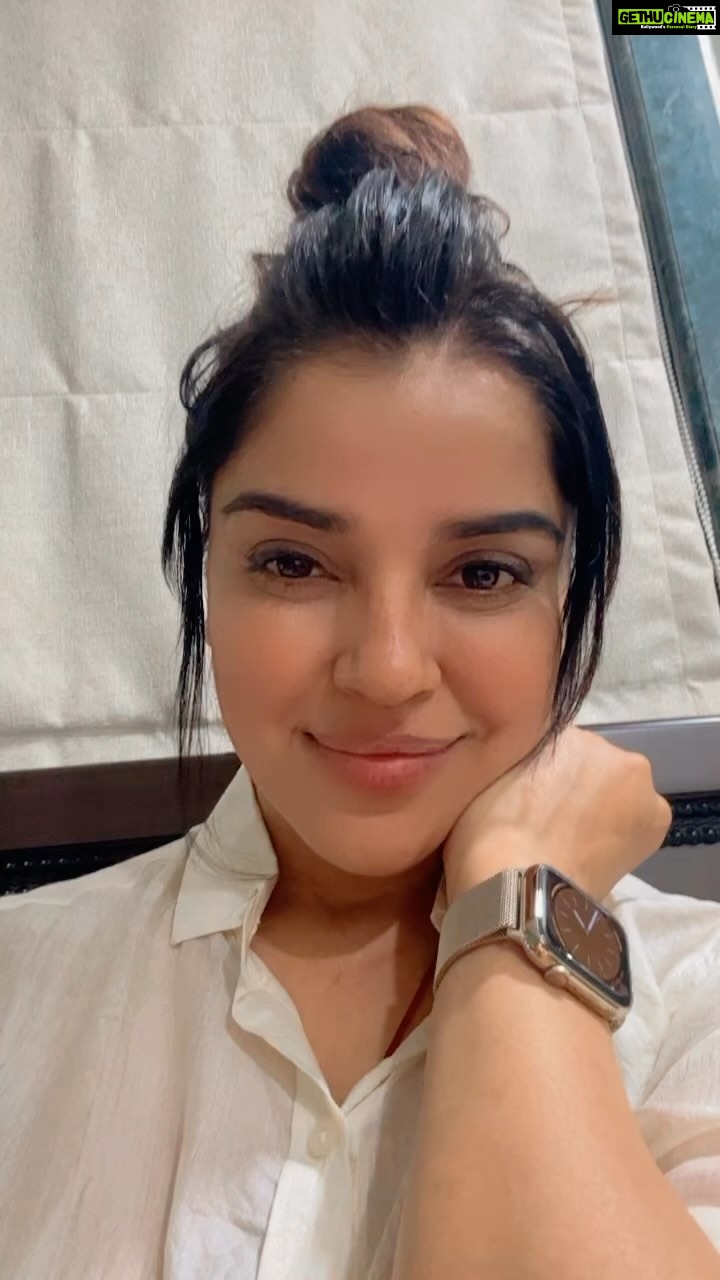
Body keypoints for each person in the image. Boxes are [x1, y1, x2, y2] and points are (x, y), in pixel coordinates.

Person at [1, 104, 719, 1280]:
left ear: (566, 593)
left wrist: (518, 903)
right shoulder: (20, 984)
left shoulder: (699, 1000)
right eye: (294, 563)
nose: (386, 668)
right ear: (207, 569)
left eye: (482, 572)